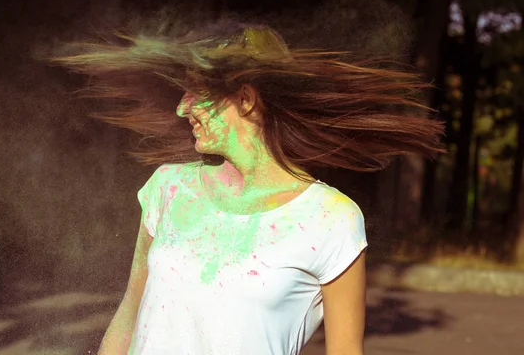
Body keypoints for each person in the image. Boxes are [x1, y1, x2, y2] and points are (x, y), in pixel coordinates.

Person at [54, 22, 444, 355]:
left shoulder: (330, 220)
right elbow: (130, 311)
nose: (181, 108)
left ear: (245, 99)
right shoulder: (169, 188)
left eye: (195, 92)